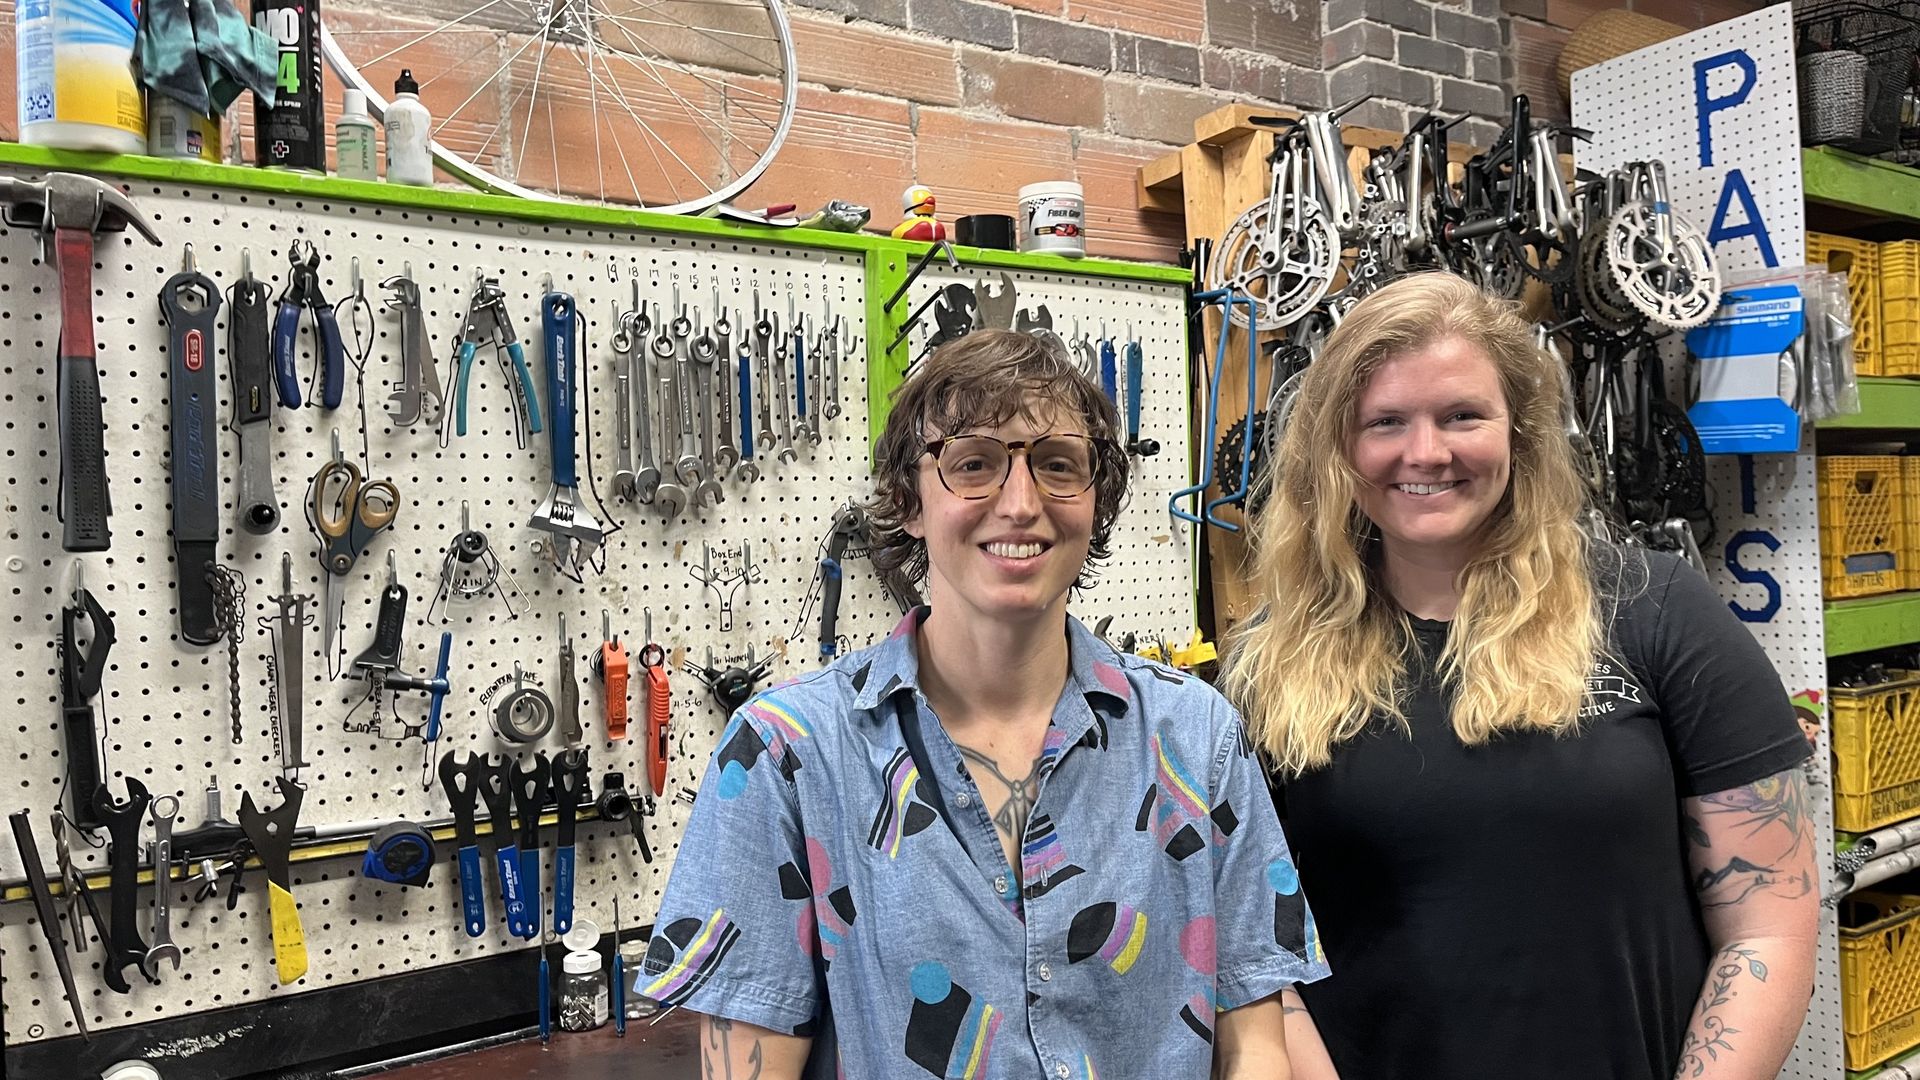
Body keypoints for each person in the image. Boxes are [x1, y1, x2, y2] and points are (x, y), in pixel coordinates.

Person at [639, 329, 1329, 1079]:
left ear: (1096, 501)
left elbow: (1256, 1043)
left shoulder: (1197, 735)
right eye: (973, 464)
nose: (1021, 503)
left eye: (1058, 466)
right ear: (909, 501)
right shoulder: (785, 754)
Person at [1222, 272, 1818, 1080]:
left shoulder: (1656, 610)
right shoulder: (1271, 662)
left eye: (1462, 415)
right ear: (1337, 450)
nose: (1426, 452)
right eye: (1386, 422)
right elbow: (1260, 953)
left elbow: (1768, 924)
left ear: (1520, 431)